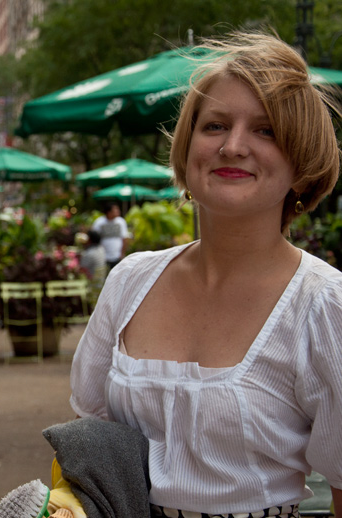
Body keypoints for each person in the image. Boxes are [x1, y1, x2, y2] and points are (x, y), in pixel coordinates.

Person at [69, 31, 342, 516]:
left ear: (302, 163)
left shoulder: (323, 305)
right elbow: (91, 440)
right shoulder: (130, 281)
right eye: (215, 126)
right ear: (187, 147)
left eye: (266, 130)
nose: (233, 146)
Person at [90, 202, 130, 269]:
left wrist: (122, 253)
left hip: (117, 255)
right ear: (109, 212)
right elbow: (93, 237)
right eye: (115, 210)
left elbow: (124, 238)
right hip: (102, 255)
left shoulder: (121, 222)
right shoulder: (99, 222)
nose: (118, 211)